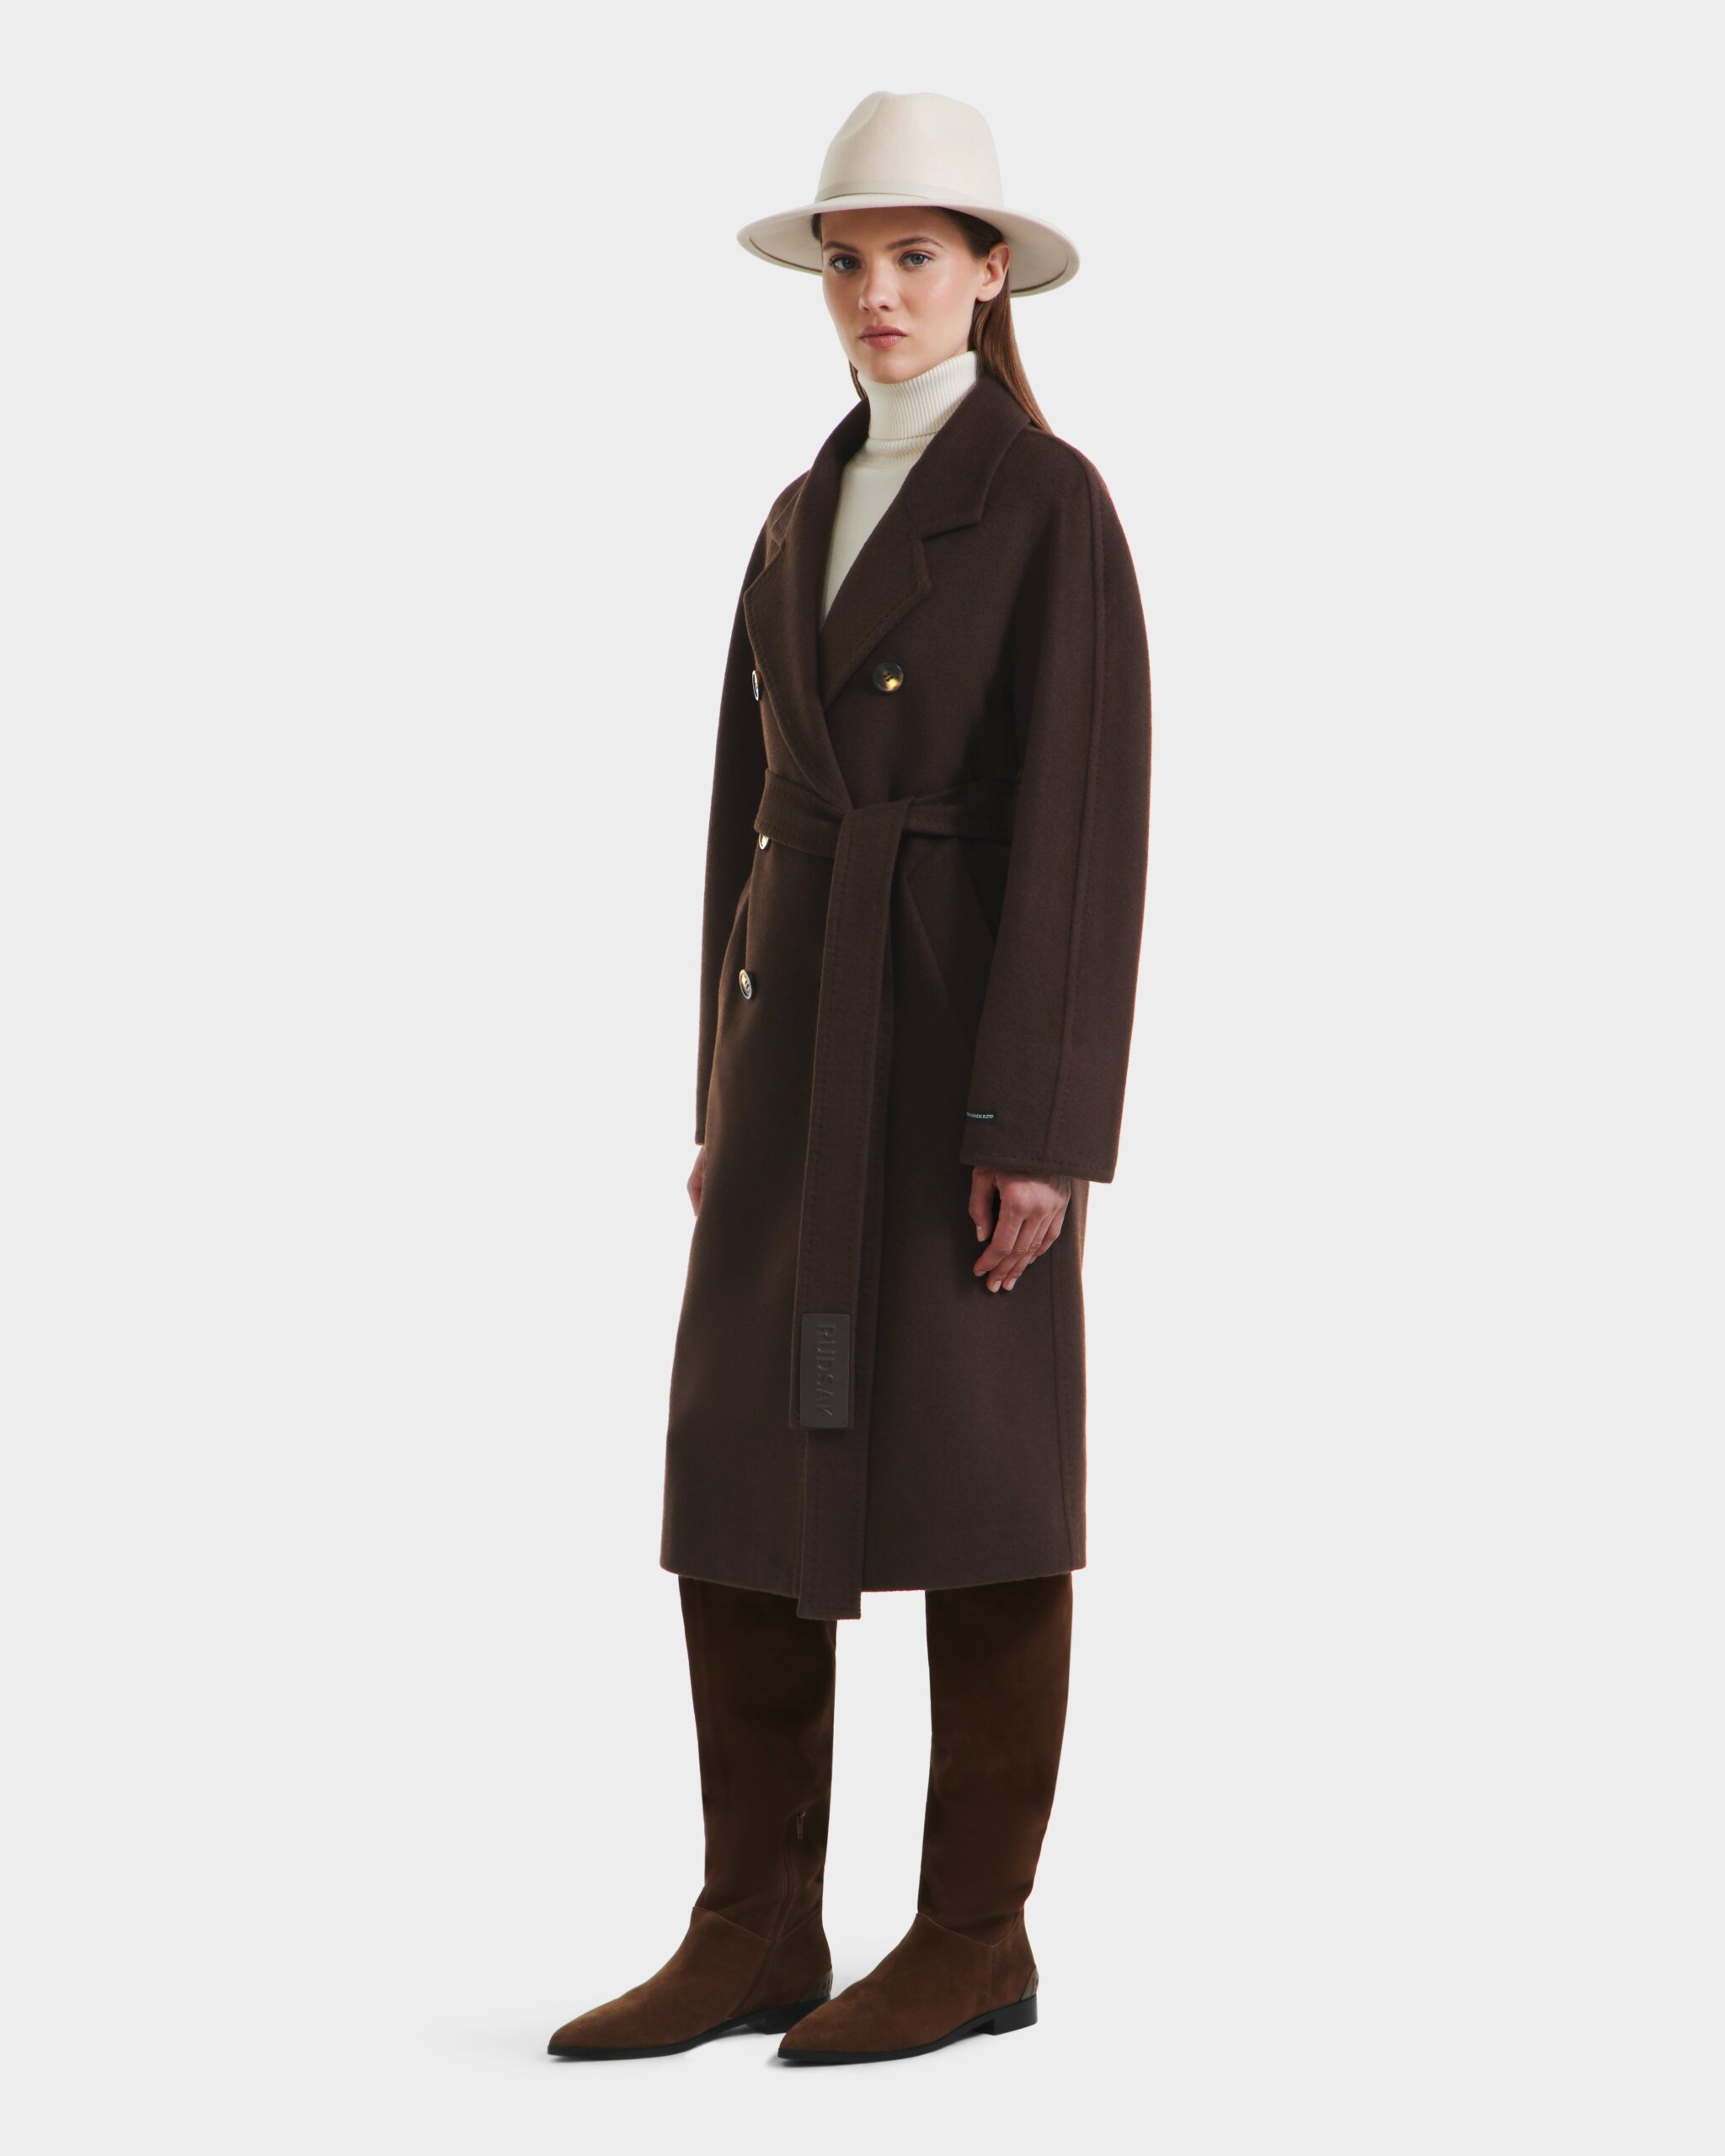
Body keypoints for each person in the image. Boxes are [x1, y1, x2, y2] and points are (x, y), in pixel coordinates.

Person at [548, 88, 1151, 2067]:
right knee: (741, 1449)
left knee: (980, 1469)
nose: (876, 292)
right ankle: (752, 1921)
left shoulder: (1046, 501)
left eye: (914, 256)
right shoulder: (795, 512)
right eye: (848, 260)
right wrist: (719, 1090)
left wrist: (1040, 1129)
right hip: (794, 1045)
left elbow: (1084, 825)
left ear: (988, 276)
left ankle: (974, 1931)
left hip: (958, 1050)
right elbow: (745, 818)